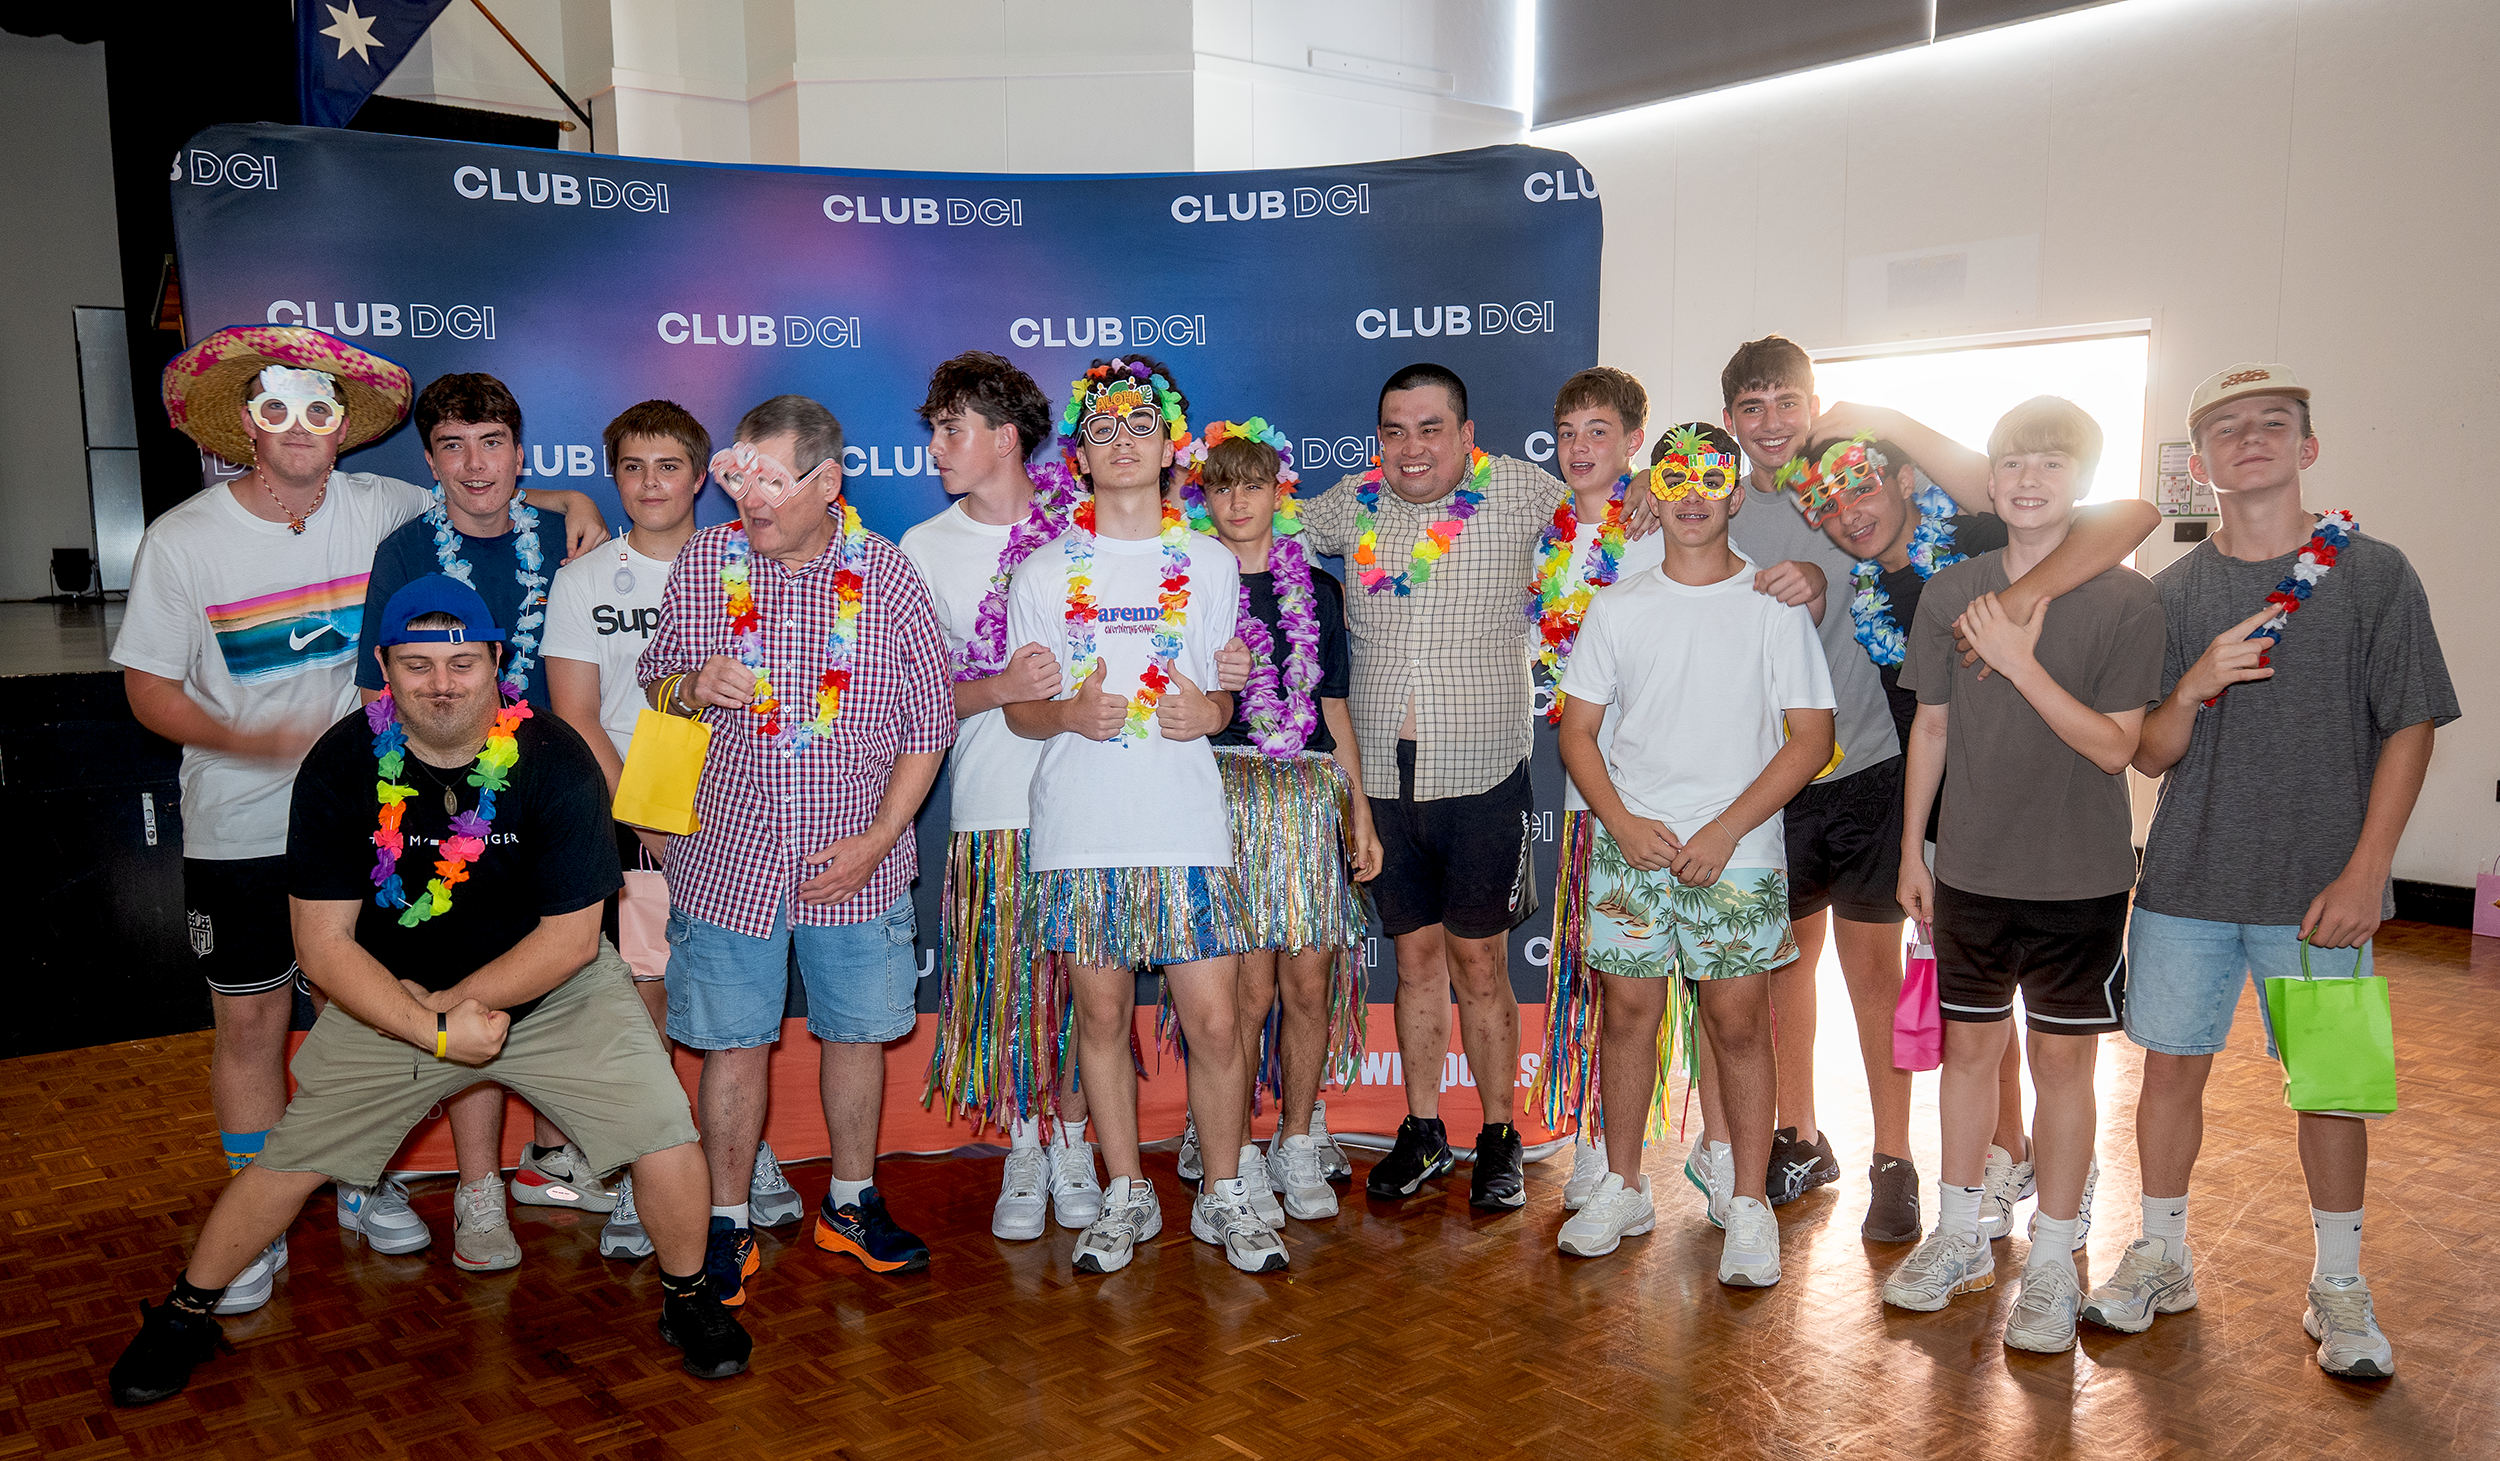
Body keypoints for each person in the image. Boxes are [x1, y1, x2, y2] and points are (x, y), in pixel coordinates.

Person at [104, 575, 751, 1407]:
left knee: (667, 1135)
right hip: (395, 997)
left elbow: (569, 938)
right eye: (416, 664)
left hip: (555, 993)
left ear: (496, 663)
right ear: (382, 665)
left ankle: (689, 1294)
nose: (441, 683)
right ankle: (187, 1312)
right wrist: (428, 1023)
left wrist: (455, 1011)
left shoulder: (555, 759)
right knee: (293, 1157)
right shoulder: (341, 762)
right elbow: (322, 944)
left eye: (460, 662)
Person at [120, 325, 607, 1308]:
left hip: (376, 831)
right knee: (254, 1021)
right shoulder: (184, 538)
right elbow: (146, 690)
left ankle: (362, 1178)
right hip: (244, 822)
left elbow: (491, 499)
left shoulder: (384, 505)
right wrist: (266, 746)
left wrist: (576, 502)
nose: (298, 429)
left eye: (317, 410)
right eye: (275, 410)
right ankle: (252, 1223)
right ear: (243, 426)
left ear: (342, 429)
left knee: (369, 1012)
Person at [2083, 365, 2455, 1379]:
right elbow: (2149, 753)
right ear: (2197, 466)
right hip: (2184, 890)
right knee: (2169, 1072)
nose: (2249, 440)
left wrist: (2366, 873)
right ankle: (2162, 1252)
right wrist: (2195, 683)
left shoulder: (2373, 575)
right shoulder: (2170, 594)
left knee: (2330, 1087)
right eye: (2225, 430)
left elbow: (2411, 727)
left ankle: (2338, 1282)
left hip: (2319, 897)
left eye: (2272, 424)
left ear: (2306, 449)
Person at [1788, 420, 2161, 1241]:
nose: (1850, 510)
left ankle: (2055, 1171)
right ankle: (2006, 1155)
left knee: (2056, 1038)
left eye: (1863, 483)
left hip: (2052, 809)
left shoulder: (1979, 538)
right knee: (1976, 1019)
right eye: (1826, 501)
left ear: (1903, 480)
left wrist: (2020, 601)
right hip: (1949, 820)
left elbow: (2131, 514)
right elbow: (1925, 723)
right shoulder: (1868, 592)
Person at [637, 395, 954, 1303]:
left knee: (856, 1035)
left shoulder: (887, 577)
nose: (752, 501)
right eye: (740, 479)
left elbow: (927, 727)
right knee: (731, 1043)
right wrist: (693, 682)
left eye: (773, 482)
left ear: (828, 481)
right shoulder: (708, 559)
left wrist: (882, 837)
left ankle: (849, 1204)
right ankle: (725, 1220)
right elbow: (657, 686)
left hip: (855, 857)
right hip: (728, 853)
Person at [1882, 398, 2163, 1355]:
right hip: (1969, 871)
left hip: (2080, 878)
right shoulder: (1949, 587)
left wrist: (2019, 660)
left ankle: (2053, 1255)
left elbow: (2115, 747)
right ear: (1989, 483)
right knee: (1968, 1055)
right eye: (2012, 463)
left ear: (2079, 481)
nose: (2029, 478)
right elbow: (1932, 724)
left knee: (2062, 1065)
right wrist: (1914, 846)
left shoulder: (2126, 600)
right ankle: (1960, 1233)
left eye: (2050, 463)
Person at [1002, 356, 1279, 1274]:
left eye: (1139, 425)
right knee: (1102, 1018)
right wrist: (1067, 714)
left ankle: (1226, 1191)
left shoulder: (1205, 563)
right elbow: (1020, 710)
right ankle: (1126, 1192)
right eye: (1102, 430)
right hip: (1081, 827)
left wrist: (1213, 712)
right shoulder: (1043, 570)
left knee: (1214, 1021)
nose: (1122, 442)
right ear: (1078, 457)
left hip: (1185, 822)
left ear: (1170, 446)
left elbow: (1219, 694)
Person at [1552, 430, 1835, 1281]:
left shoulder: (1770, 604)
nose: (1693, 495)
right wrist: (1623, 822)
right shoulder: (1619, 605)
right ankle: (1626, 1183)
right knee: (1629, 1018)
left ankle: (1749, 1201)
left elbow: (1811, 738)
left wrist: (1724, 829)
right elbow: (1577, 731)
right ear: (1655, 490)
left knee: (1740, 1024)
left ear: (1737, 492)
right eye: (1674, 478)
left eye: (1712, 478)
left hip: (1739, 854)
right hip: (1630, 849)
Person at [353, 373, 620, 1271]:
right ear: (429, 460)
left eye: (492, 442)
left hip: (560, 791)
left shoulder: (569, 534)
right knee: (471, 983)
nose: (475, 464)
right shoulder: (403, 553)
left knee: (559, 974)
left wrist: (576, 501)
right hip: (451, 804)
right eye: (454, 446)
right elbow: (374, 691)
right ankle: (476, 1189)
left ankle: (550, 1155)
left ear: (519, 450)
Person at [1295, 363, 1575, 1210]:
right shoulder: (1353, 504)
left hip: (1483, 772)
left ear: (1464, 433)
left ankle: (1499, 1134)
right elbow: (1250, 530)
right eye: (1393, 429)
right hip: (1378, 783)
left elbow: (1605, 508)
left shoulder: (1523, 493)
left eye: (1428, 428)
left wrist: (1638, 500)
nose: (1410, 447)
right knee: (1413, 962)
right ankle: (1422, 1130)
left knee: (1480, 964)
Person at [543, 400, 806, 1260]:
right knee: (645, 1004)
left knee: (741, 1003)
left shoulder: (756, 558)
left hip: (748, 814)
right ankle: (644, 1171)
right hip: (637, 819)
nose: (651, 483)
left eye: (668, 466)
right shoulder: (586, 579)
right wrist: (646, 817)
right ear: (612, 479)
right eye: (631, 467)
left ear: (704, 475)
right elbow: (576, 712)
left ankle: (744, 1152)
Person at [898, 351, 1103, 1242]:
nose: (936, 448)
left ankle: (1075, 1139)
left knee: (1085, 982)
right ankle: (1024, 1143)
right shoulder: (923, 547)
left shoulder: (1092, 526)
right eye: (935, 429)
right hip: (991, 800)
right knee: (1015, 980)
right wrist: (1000, 686)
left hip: (1096, 796)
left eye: (952, 429)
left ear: (1005, 436)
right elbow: (908, 700)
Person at [1180, 417, 1379, 1224]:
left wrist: (1358, 811)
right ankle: (1229, 1141)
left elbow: (1335, 708)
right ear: (1205, 497)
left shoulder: (1318, 590)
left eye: (1252, 484)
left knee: (1308, 979)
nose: (1236, 501)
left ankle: (1299, 1135)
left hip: (1301, 793)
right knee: (1246, 988)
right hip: (1218, 791)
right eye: (1221, 486)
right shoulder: (1187, 583)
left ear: (1277, 492)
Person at [1522, 372, 1673, 1212]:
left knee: (1707, 989)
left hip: (1682, 788)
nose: (1581, 448)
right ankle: (1594, 1141)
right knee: (1603, 980)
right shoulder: (1549, 532)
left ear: (1632, 444)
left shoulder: (1655, 520)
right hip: (1594, 794)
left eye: (1600, 432)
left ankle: (1720, 1152)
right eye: (1567, 430)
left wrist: (1654, 483)